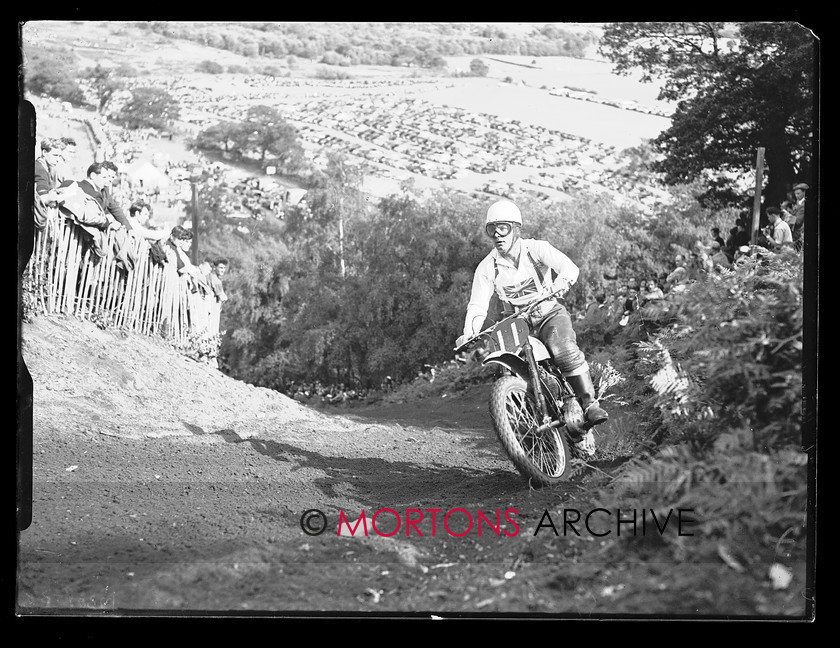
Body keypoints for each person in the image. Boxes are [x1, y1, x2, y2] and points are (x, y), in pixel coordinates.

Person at [456, 199, 608, 431]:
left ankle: (588, 404)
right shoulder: (487, 267)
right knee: (507, 368)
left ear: (516, 229)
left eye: (503, 228)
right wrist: (470, 333)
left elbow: (569, 268)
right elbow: (477, 305)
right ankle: (524, 426)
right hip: (516, 324)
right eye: (491, 230)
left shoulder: (536, 249)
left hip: (548, 313)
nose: (497, 235)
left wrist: (561, 283)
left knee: (563, 349)